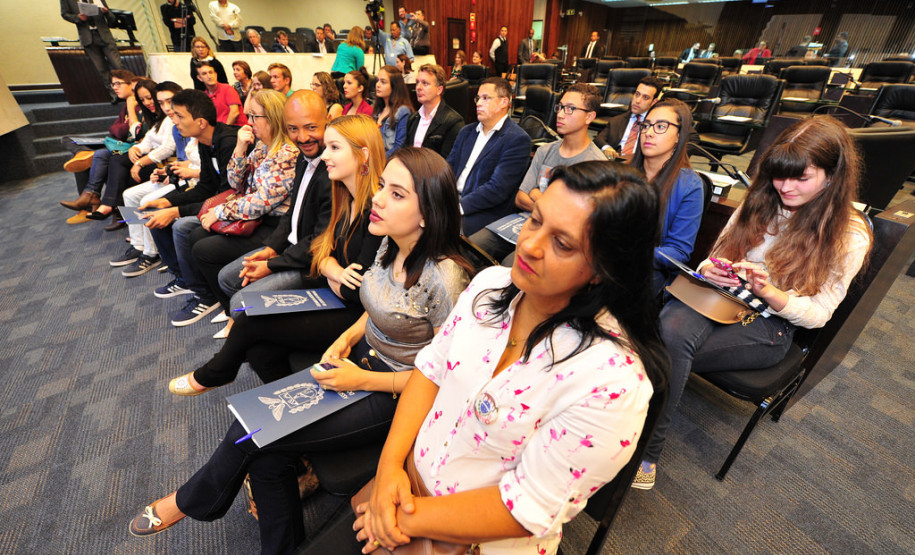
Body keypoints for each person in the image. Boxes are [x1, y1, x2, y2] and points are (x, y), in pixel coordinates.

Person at [129, 146, 474, 555]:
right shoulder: (390, 243)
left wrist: (362, 377)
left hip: (399, 395)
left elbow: (445, 378)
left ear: (427, 213)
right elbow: (383, 306)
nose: (377, 198)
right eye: (382, 187)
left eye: (397, 194)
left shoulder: (446, 277)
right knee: (266, 452)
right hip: (359, 361)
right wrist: (347, 338)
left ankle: (192, 500)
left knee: (255, 431)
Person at [346, 160, 668, 555]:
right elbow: (430, 371)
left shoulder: (612, 382)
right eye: (534, 221)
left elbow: (525, 506)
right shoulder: (489, 286)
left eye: (562, 243)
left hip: (477, 541)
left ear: (603, 269)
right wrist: (390, 464)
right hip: (408, 485)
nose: (529, 246)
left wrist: (395, 517)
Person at [636, 116, 873, 491]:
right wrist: (710, 269)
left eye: (800, 178)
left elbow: (820, 316)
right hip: (721, 296)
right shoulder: (761, 199)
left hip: (770, 323)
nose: (785, 187)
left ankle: (642, 447)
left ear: (831, 176)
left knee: (664, 344)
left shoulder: (848, 234)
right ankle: (639, 445)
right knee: (671, 332)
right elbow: (712, 257)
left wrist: (771, 293)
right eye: (780, 176)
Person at [167, 114, 383, 386]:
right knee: (259, 349)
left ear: (363, 155)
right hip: (329, 290)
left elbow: (355, 292)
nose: (325, 155)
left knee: (249, 321)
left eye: (335, 148)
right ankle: (287, 406)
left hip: (358, 315)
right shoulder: (345, 198)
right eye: (327, 146)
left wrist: (330, 270)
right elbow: (321, 251)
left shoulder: (376, 209)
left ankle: (217, 371)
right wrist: (335, 271)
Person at [173, 89, 297, 327]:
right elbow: (234, 182)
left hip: (275, 224)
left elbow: (262, 202)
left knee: (203, 249)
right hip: (256, 217)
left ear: (272, 118)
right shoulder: (262, 147)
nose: (249, 123)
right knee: (196, 234)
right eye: (248, 116)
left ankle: (234, 315)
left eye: (254, 117)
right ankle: (226, 306)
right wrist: (240, 147)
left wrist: (219, 212)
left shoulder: (287, 153)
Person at [215, 90, 334, 324]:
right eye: (293, 129)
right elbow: (291, 214)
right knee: (226, 278)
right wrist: (271, 248)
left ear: (327, 122)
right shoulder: (302, 157)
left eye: (311, 127)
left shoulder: (332, 170)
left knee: (240, 302)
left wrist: (272, 265)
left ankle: (253, 329)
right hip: (290, 247)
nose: (302, 137)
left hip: (311, 262)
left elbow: (320, 240)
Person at [470, 83, 605, 264]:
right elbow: (520, 198)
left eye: (571, 109)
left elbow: (573, 219)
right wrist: (549, 207)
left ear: (590, 116)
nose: (561, 113)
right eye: (560, 107)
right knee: (471, 247)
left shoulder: (596, 164)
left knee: (510, 264)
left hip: (556, 235)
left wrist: (535, 194)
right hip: (522, 221)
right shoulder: (544, 151)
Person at [141, 90, 241, 302]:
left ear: (201, 122)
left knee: (181, 225)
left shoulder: (227, 142)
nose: (174, 121)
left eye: (180, 116)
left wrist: (175, 210)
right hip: (217, 201)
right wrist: (167, 201)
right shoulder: (205, 141)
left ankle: (204, 294)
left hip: (232, 205)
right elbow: (205, 186)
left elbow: (228, 195)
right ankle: (183, 278)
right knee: (156, 211)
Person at [111, 81, 190, 276]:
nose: (164, 107)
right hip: (173, 171)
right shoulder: (161, 120)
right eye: (160, 102)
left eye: (168, 102)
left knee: (146, 201)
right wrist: (139, 150)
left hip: (184, 176)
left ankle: (151, 252)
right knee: (129, 195)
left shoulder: (176, 122)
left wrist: (144, 163)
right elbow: (147, 141)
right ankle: (139, 244)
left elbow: (171, 151)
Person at [629, 99, 704, 295]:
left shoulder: (689, 185)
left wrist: (631, 253)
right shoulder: (623, 174)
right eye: (646, 125)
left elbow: (678, 253)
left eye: (661, 126)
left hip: (646, 272)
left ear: (679, 136)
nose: (649, 132)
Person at [447, 77, 532, 236]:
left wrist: (457, 208)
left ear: (503, 102)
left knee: (438, 228)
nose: (478, 103)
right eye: (478, 98)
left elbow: (497, 189)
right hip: (451, 198)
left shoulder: (517, 139)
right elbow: (448, 169)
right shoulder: (467, 131)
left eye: (485, 98)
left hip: (482, 210)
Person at [77, 79, 160, 226]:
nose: (147, 102)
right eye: (142, 99)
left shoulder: (168, 117)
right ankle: (132, 230)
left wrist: (140, 162)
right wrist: (137, 148)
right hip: (148, 156)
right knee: (116, 162)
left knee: (121, 175)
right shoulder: (146, 113)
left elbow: (166, 148)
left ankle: (114, 209)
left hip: (163, 163)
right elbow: (120, 131)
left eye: (149, 98)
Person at [59, 69, 137, 219]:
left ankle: (89, 200)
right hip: (112, 142)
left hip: (121, 146)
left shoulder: (135, 104)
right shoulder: (125, 106)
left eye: (118, 84)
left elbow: (123, 132)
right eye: (112, 84)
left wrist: (121, 127)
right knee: (68, 139)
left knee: (100, 156)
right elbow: (114, 129)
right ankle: (83, 155)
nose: (115, 87)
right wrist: (120, 128)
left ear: (131, 85)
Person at [60, 0, 123, 102]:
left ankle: (127, 92)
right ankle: (114, 95)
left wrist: (106, 12)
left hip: (104, 35)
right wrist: (78, 17)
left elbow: (112, 18)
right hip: (88, 37)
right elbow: (65, 14)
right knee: (101, 69)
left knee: (118, 66)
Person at [594, 76, 663, 160]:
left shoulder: (656, 126)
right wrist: (607, 148)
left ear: (654, 102)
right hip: (615, 163)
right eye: (637, 94)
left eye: (645, 97)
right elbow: (599, 139)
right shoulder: (617, 120)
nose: (638, 101)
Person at [404, 64, 464, 158]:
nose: (418, 87)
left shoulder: (453, 122)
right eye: (417, 82)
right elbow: (405, 153)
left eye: (425, 83)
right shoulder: (413, 119)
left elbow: (447, 163)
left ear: (439, 90)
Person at [373, 66, 414, 157]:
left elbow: (399, 147)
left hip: (390, 162)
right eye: (377, 80)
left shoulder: (403, 111)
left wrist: (378, 161)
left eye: (383, 82)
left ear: (394, 86)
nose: (377, 85)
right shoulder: (378, 110)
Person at [197, 61, 246, 125]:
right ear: (200, 78)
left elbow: (234, 113)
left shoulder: (227, 89)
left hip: (236, 130)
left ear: (216, 74)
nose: (209, 76)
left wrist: (223, 131)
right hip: (218, 131)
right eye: (204, 74)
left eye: (211, 72)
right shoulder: (204, 96)